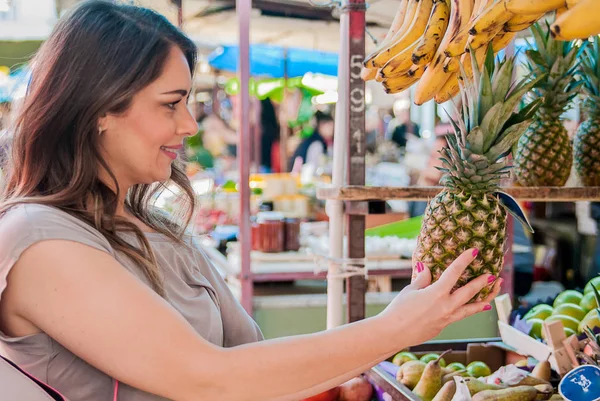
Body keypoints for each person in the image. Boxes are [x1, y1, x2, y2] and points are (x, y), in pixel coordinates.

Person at [0, 2, 501, 400]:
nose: (190, 125)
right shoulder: (38, 239)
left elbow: (251, 365)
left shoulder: (154, 225)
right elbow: (207, 380)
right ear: (99, 109)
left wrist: (398, 324)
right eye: (171, 104)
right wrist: (395, 327)